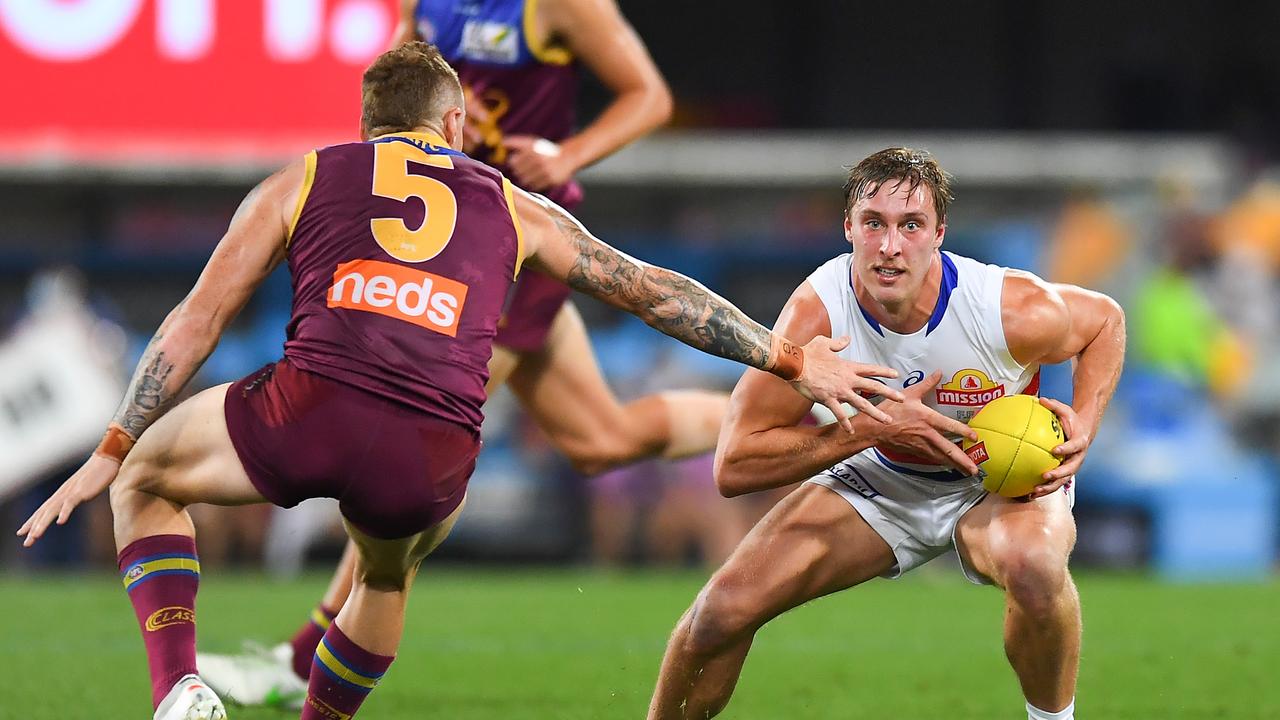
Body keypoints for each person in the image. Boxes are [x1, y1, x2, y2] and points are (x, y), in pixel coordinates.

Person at [16, 43, 904, 720]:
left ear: (367, 124)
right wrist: (791, 358)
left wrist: (114, 443)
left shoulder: (306, 175)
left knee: (145, 479)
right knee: (386, 578)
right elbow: (651, 291)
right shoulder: (511, 202)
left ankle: (179, 693)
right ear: (451, 126)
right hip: (435, 451)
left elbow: (196, 320)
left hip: (309, 408)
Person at [196, 0, 723, 706]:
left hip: (506, 244)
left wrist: (567, 156)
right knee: (603, 438)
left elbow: (650, 97)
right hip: (443, 242)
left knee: (405, 431)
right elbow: (391, 73)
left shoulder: (559, 7)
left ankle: (300, 662)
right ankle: (775, 416)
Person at [645, 148, 1126, 720]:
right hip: (887, 475)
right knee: (719, 614)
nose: (890, 246)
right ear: (848, 226)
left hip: (996, 483)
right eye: (873, 223)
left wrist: (1086, 423)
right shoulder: (818, 314)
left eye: (911, 225)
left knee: (1034, 566)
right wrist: (870, 431)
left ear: (939, 234)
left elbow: (1106, 321)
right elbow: (735, 466)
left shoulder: (1005, 309)